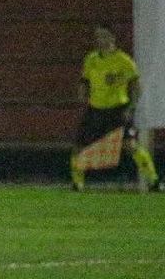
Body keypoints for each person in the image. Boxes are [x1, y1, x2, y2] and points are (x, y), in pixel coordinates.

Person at [69, 23, 162, 192]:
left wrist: (130, 108)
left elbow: (136, 87)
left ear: (113, 38)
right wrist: (82, 91)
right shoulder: (91, 59)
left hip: (117, 109)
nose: (100, 40)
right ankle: (77, 183)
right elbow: (85, 80)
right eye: (98, 37)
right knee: (79, 146)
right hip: (95, 108)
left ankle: (154, 181)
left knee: (130, 145)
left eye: (104, 36)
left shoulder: (124, 61)